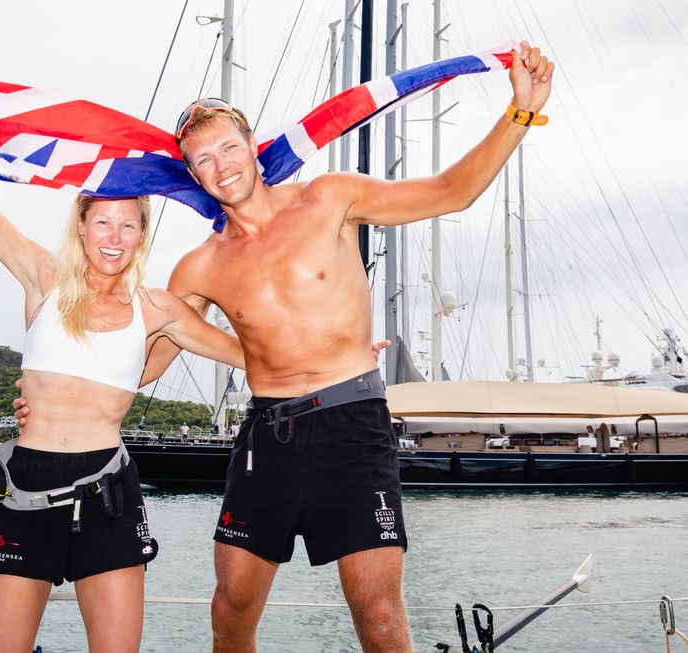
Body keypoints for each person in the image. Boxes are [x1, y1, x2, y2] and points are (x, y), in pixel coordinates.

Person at [142, 41, 551, 652]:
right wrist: (59, 388)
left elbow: (450, 191)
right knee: (230, 609)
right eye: (203, 159)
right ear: (193, 175)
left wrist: (520, 112)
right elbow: (148, 367)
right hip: (267, 438)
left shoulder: (328, 198)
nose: (220, 165)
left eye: (228, 147)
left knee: (378, 613)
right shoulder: (198, 268)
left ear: (252, 145)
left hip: (352, 422)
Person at [0, 91, 244, 653]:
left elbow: (250, 353)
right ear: (82, 226)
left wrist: (344, 350)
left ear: (142, 235)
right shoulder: (44, 278)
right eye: (103, 222)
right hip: (25, 486)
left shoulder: (158, 310)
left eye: (128, 226)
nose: (114, 237)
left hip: (108, 489)